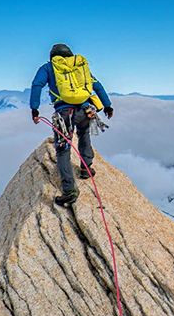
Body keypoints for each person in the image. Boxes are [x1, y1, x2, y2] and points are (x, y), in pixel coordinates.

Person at [29, 43, 115, 205]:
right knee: (84, 135)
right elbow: (97, 85)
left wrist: (34, 108)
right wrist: (108, 105)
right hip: (86, 110)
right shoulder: (79, 66)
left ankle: (69, 191)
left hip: (64, 113)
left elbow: (37, 85)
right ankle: (86, 168)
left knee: (63, 149)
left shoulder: (49, 68)